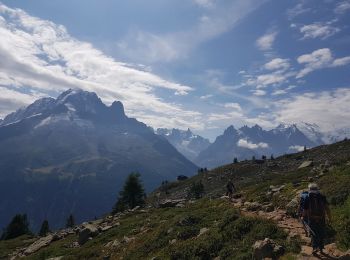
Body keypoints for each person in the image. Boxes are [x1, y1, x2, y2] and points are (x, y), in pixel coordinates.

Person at [301, 183, 331, 255]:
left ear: (309, 189)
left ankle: (314, 248)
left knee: (313, 233)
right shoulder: (322, 196)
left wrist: (302, 216)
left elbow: (305, 210)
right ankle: (321, 248)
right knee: (321, 232)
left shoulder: (307, 197)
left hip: (311, 218)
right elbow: (327, 208)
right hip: (321, 218)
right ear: (317, 189)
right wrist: (330, 217)